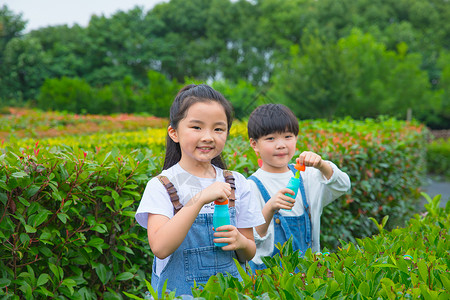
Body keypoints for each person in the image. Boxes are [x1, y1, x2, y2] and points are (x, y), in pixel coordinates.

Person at [135, 84, 264, 296]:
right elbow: (160, 247)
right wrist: (200, 199)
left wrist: (240, 242)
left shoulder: (237, 183)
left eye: (218, 129)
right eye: (197, 127)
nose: (208, 136)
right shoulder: (162, 185)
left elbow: (248, 252)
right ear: (174, 133)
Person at [246, 104, 351, 270]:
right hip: (269, 278)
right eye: (271, 138)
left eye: (288, 136)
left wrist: (321, 165)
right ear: (254, 144)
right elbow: (250, 239)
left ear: (296, 138)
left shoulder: (307, 176)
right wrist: (269, 208)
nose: (281, 145)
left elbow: (343, 185)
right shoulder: (251, 186)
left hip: (307, 273)